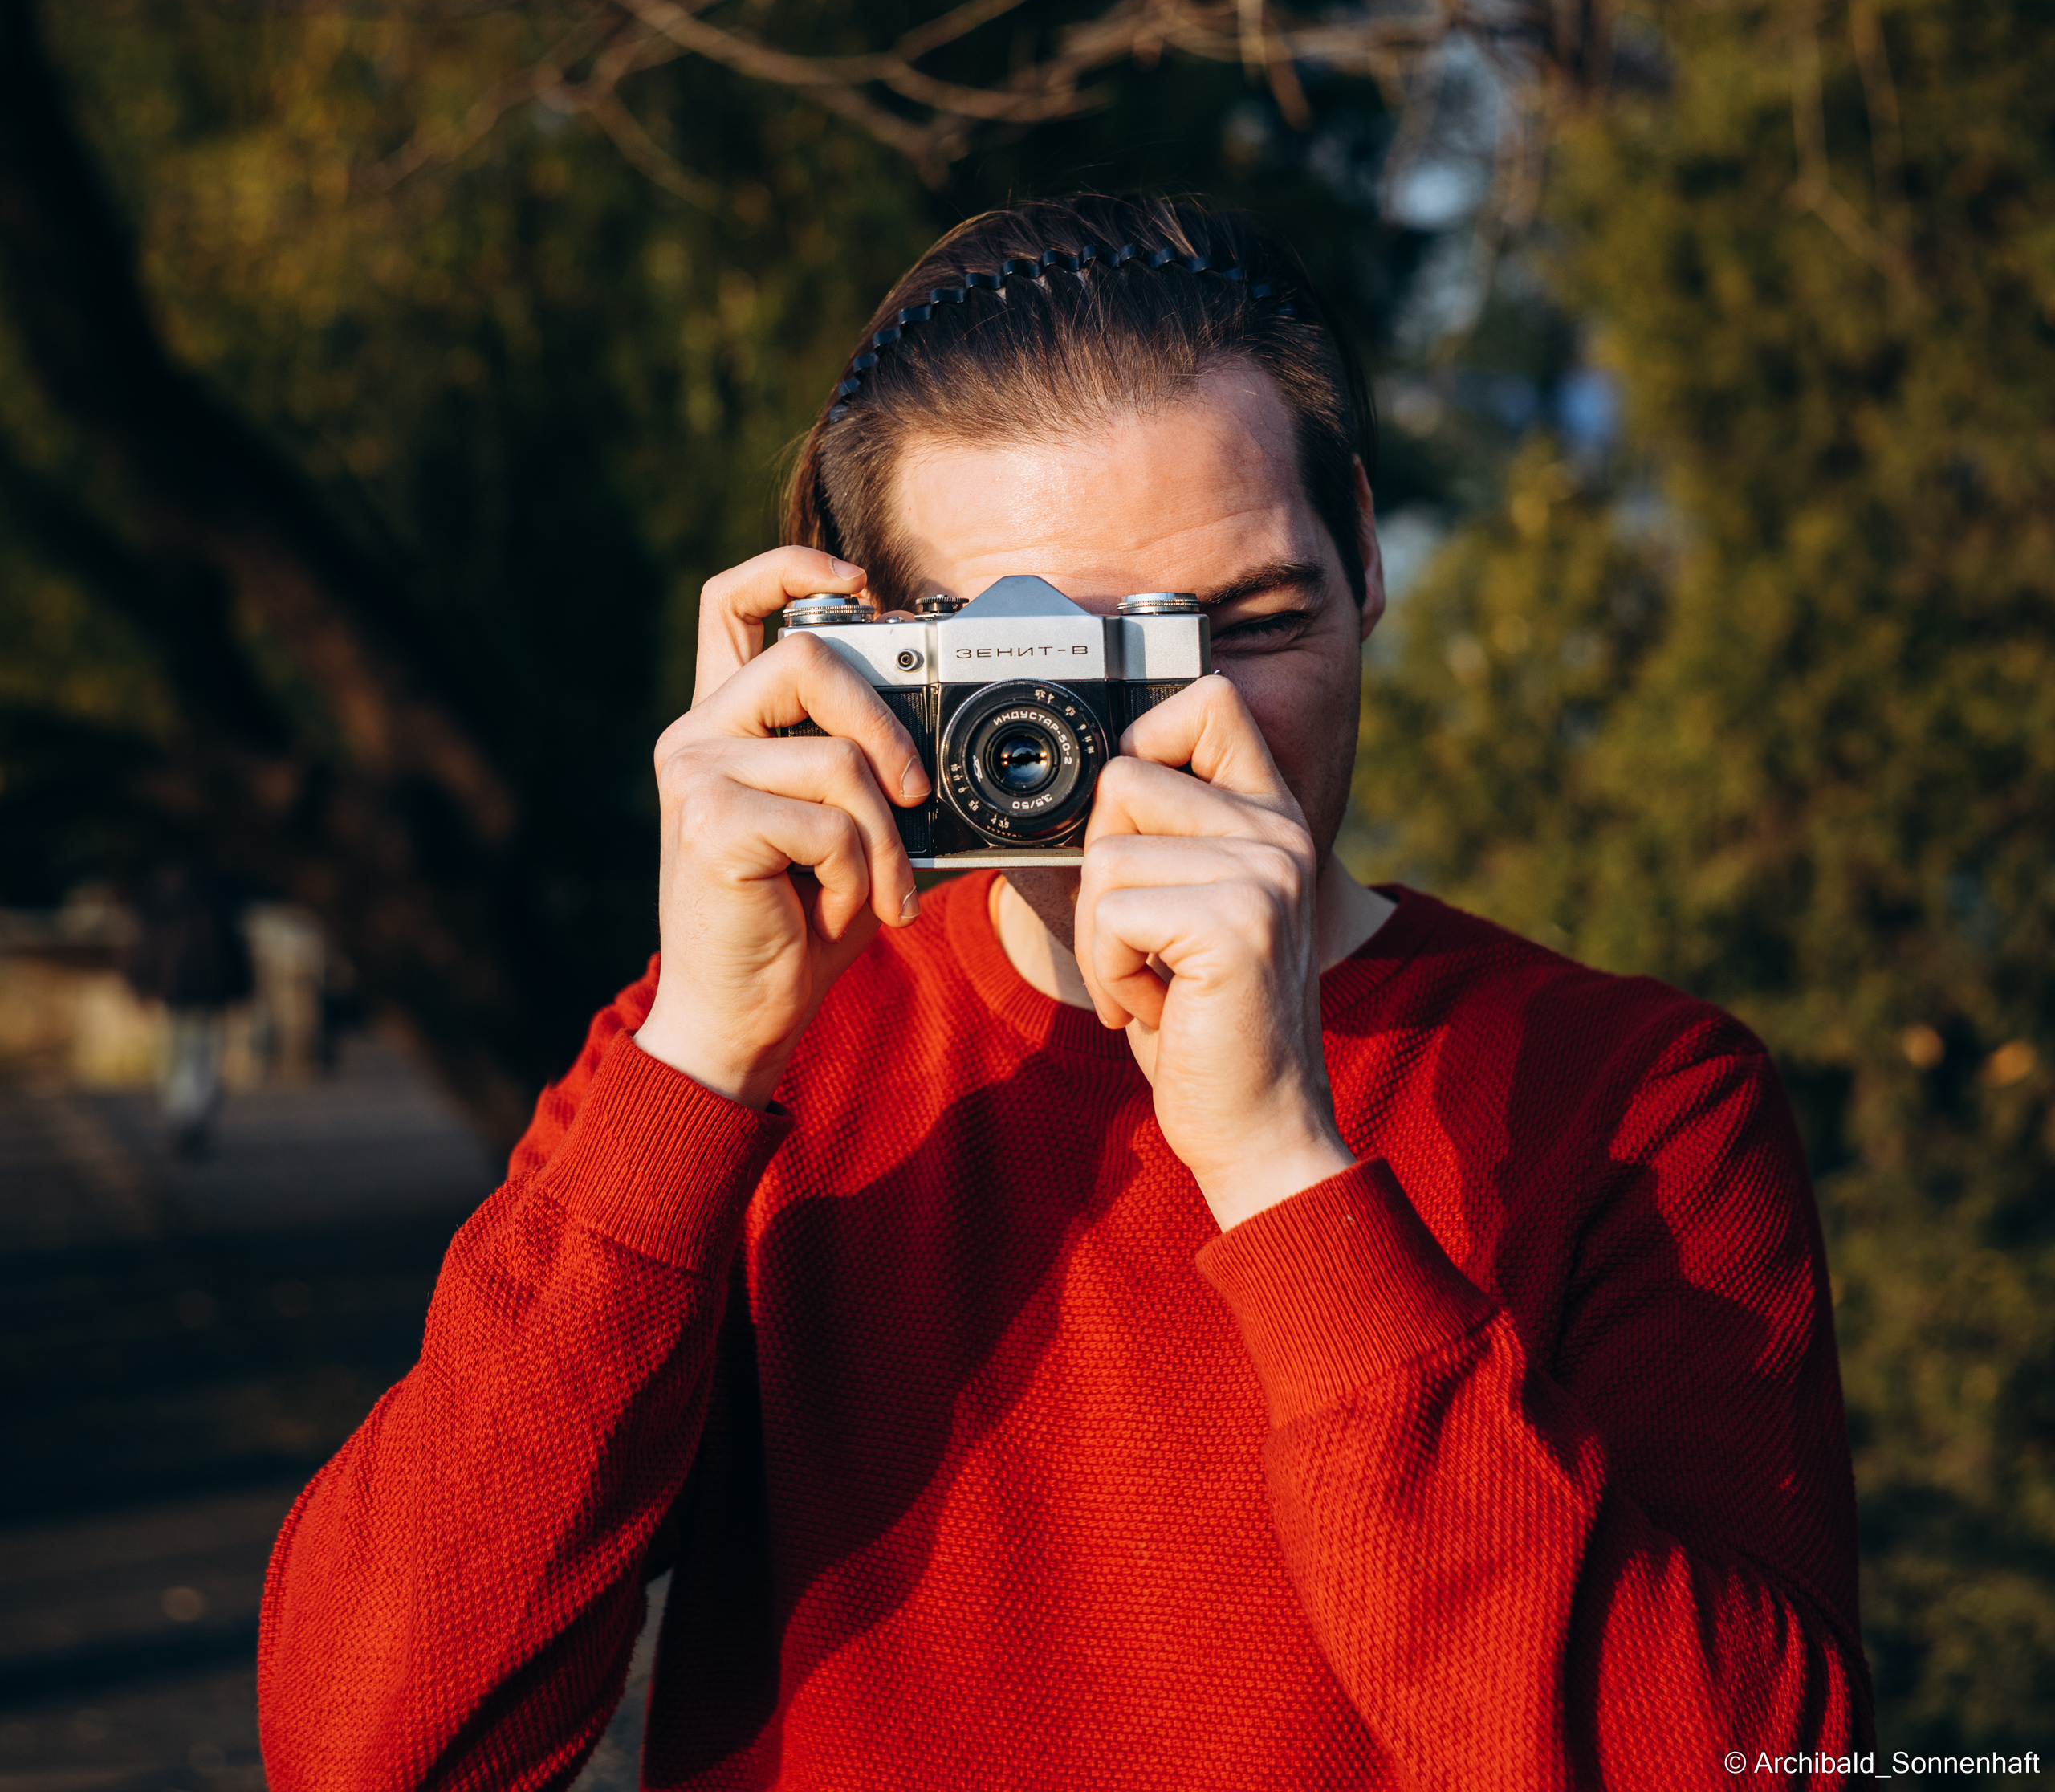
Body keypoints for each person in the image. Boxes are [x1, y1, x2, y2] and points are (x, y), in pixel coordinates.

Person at [258, 194, 1870, 1787]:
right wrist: (697, 1054)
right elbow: (371, 1739)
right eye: (1042, 672)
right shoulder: (732, 1062)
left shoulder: (1635, 1103)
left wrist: (1282, 1172)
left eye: (1244, 624)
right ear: (866, 654)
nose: (1175, 730)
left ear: (1365, 550)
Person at [124, 859, 253, 1159]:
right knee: (200, 1056)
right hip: (206, 994)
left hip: (179, 994)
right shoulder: (214, 898)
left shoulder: (163, 900)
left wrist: (142, 986)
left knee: (179, 1057)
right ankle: (190, 1120)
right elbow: (233, 950)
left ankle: (183, 1118)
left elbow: (146, 948)